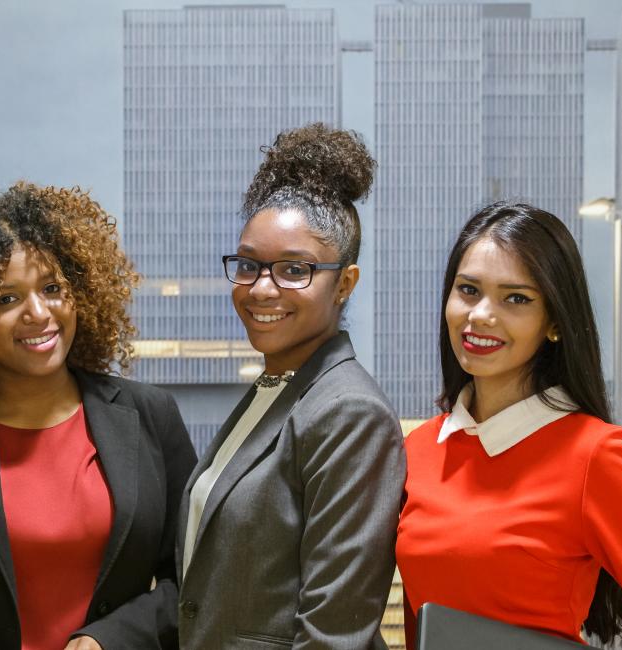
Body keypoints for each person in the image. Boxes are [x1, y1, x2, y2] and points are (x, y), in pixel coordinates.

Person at [0, 182, 197, 650]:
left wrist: (112, 639)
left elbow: (190, 578)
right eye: (6, 299)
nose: (38, 313)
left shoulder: (149, 415)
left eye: (52, 288)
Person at [396, 202, 622, 648]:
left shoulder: (594, 456)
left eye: (516, 298)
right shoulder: (420, 450)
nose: (481, 315)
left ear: (554, 324)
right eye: (468, 290)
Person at [177, 124, 405, 649]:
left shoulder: (349, 412)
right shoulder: (276, 388)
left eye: (294, 270)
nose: (261, 288)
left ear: (344, 283)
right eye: (250, 265)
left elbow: (334, 635)